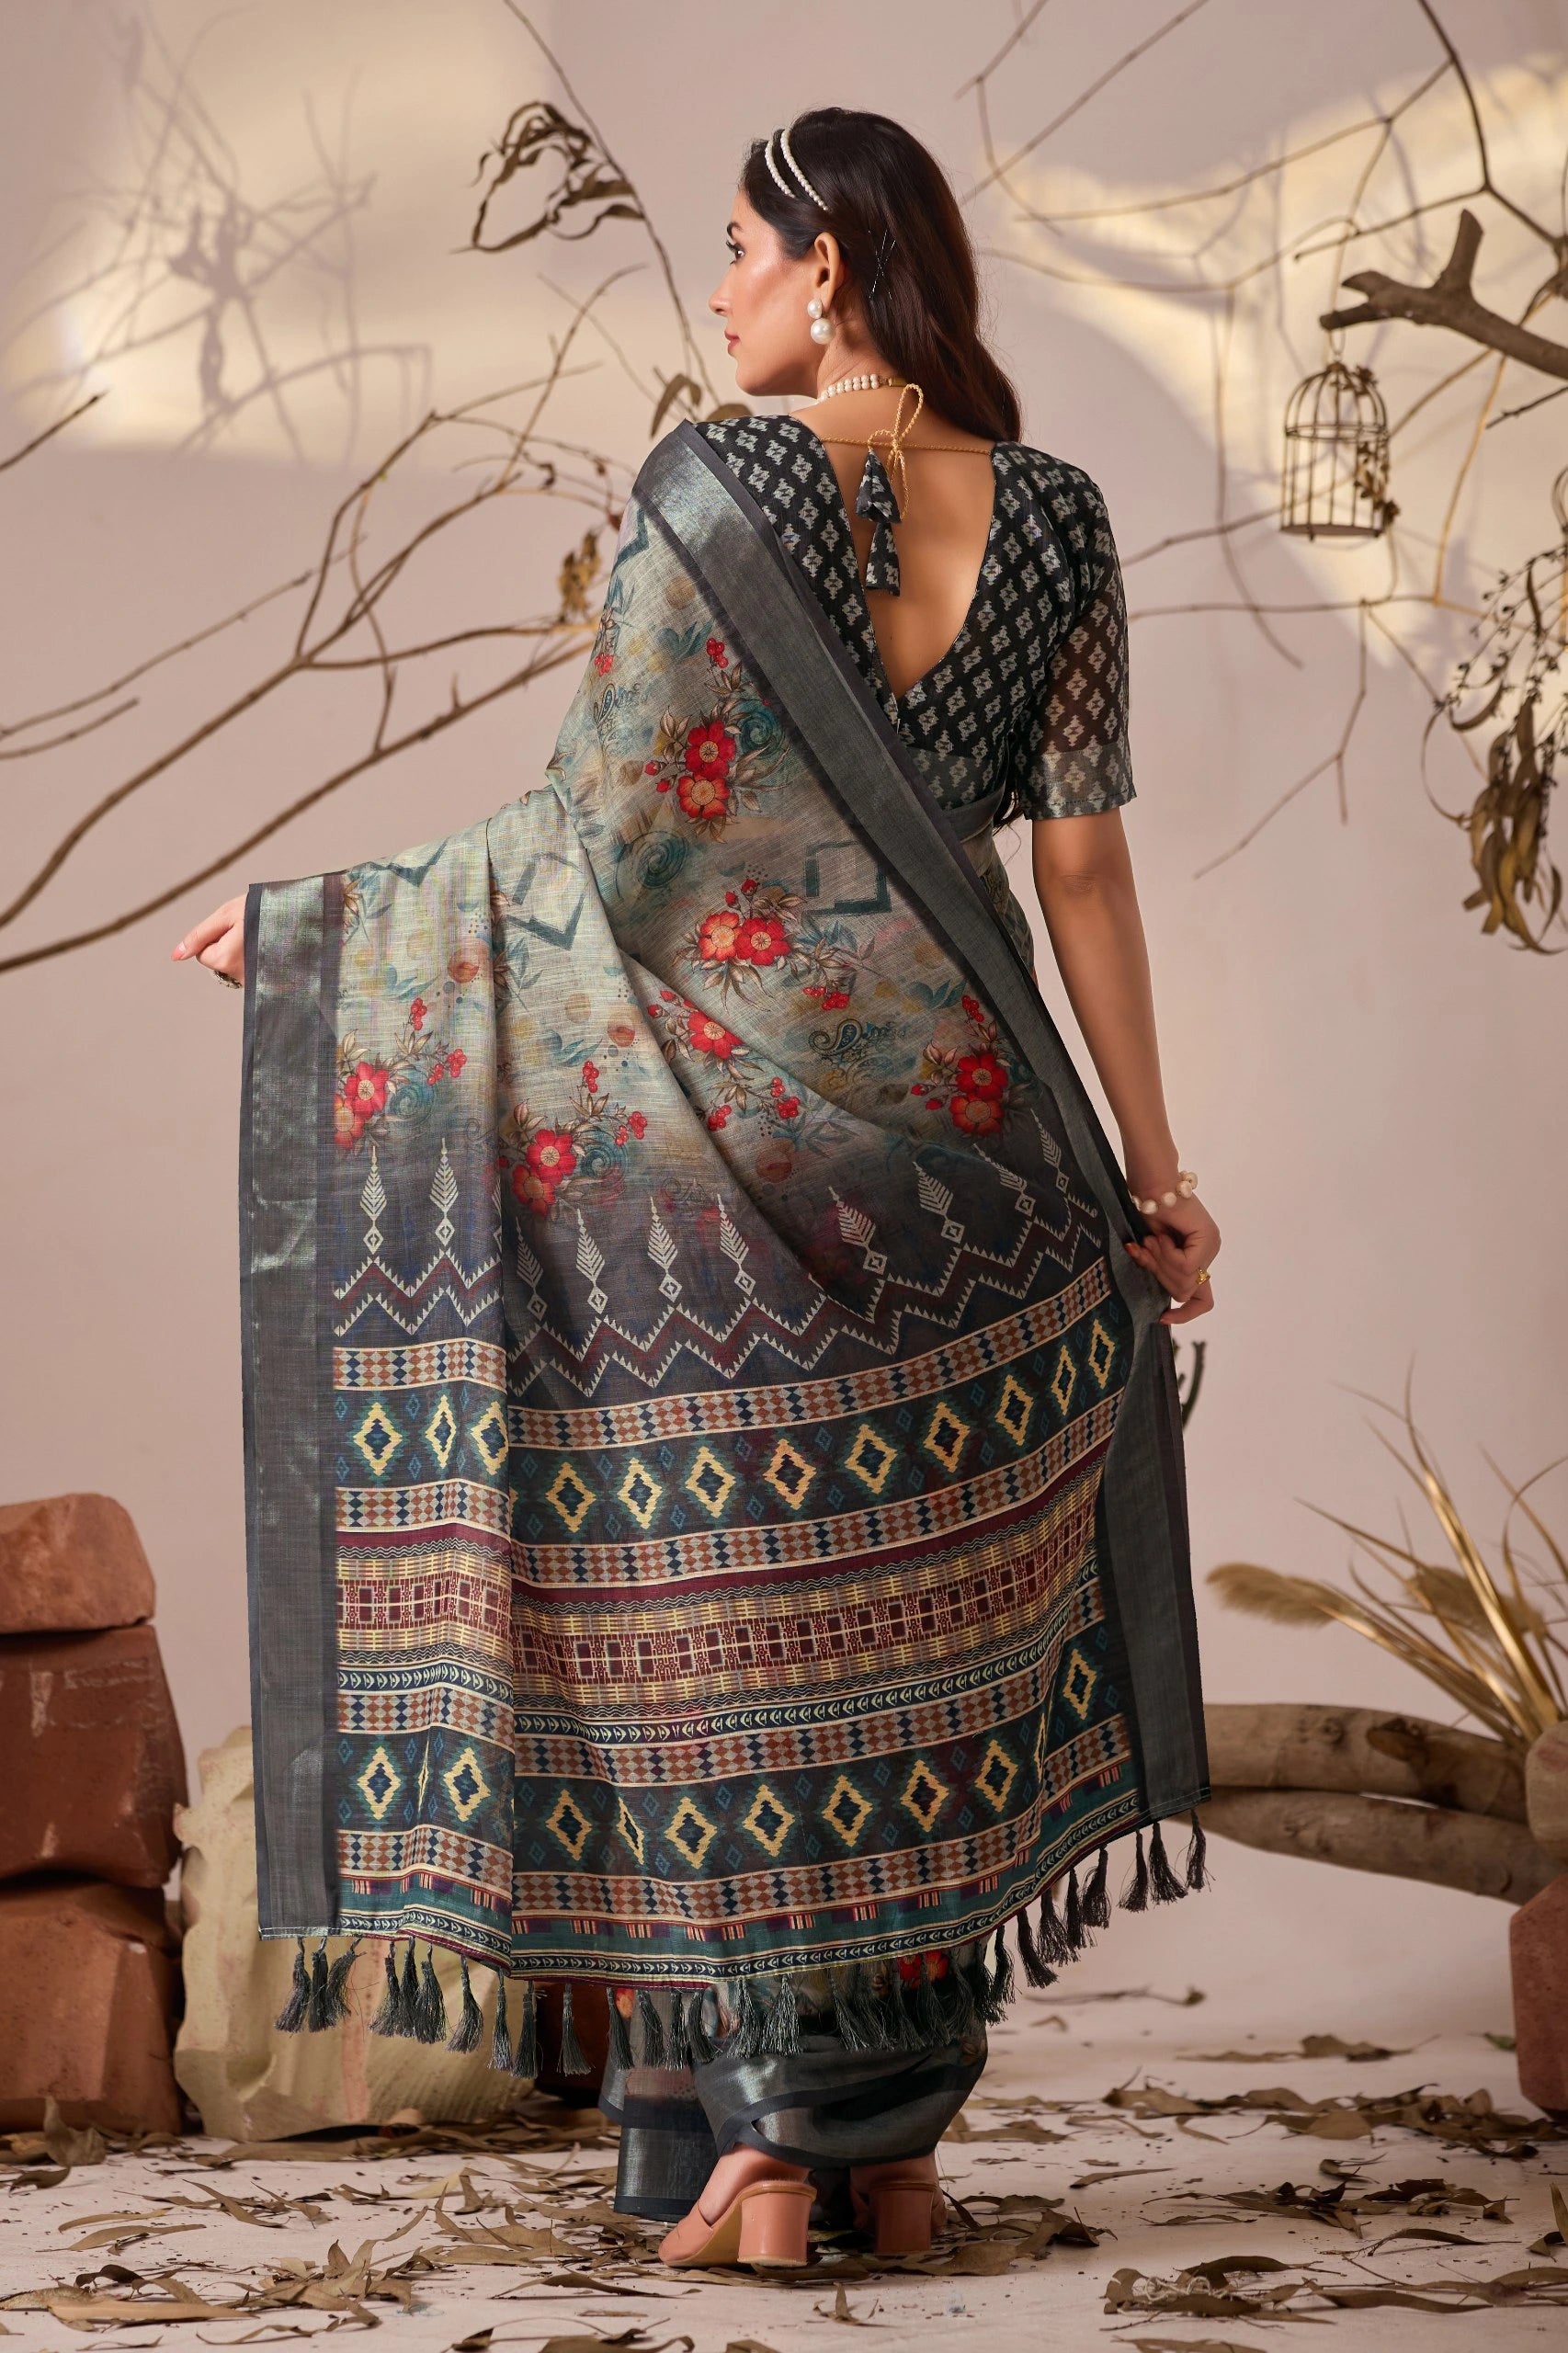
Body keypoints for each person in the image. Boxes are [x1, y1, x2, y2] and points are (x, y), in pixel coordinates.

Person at [175, 108, 1220, 2272]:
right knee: (912, 1664)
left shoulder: (719, 486)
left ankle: (756, 2147)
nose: (720, 286)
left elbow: (601, 835)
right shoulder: (1053, 512)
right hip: (990, 1180)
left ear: (828, 268)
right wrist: (1153, 1170)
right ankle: (886, 2151)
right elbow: (1084, 869)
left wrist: (326, 938)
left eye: (743, 247)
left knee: (725, 1660)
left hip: (739, 1183)